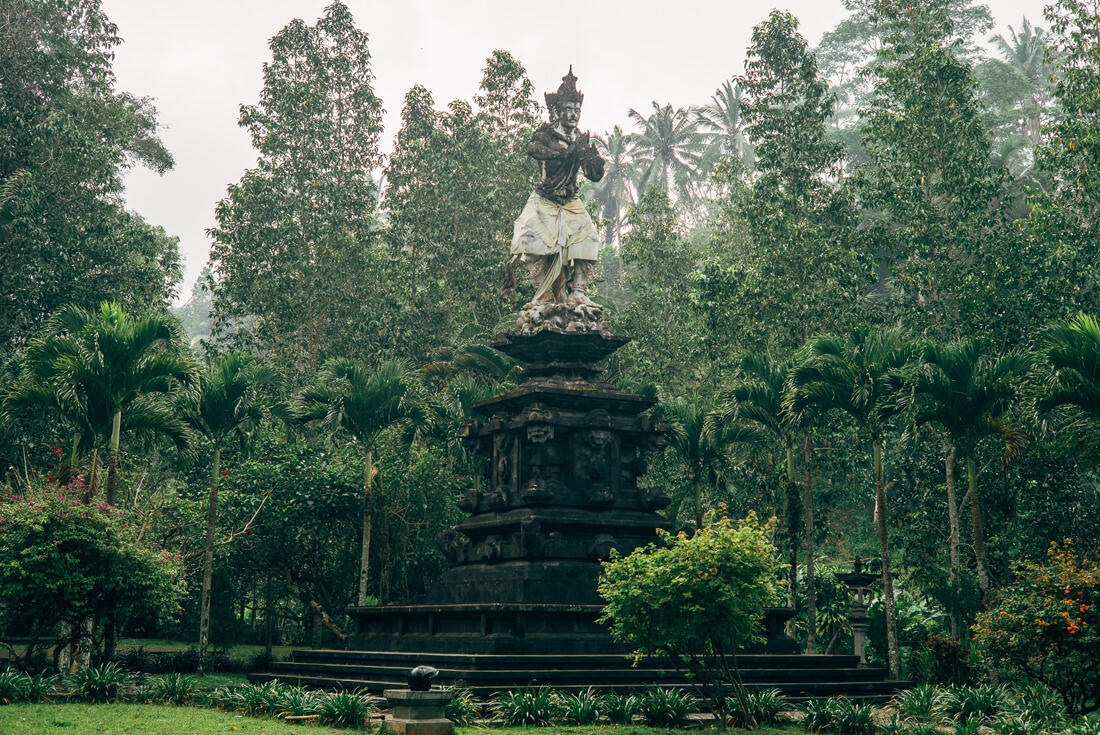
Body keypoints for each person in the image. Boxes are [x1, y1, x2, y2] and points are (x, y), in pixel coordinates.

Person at [510, 67, 605, 305]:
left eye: (577, 110)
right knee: (528, 238)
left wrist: (593, 160)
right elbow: (533, 149)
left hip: (570, 200)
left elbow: (594, 175)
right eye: (569, 109)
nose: (574, 114)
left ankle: (580, 292)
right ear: (558, 111)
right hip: (544, 199)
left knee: (589, 238)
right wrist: (560, 155)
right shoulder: (547, 135)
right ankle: (544, 291)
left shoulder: (581, 140)